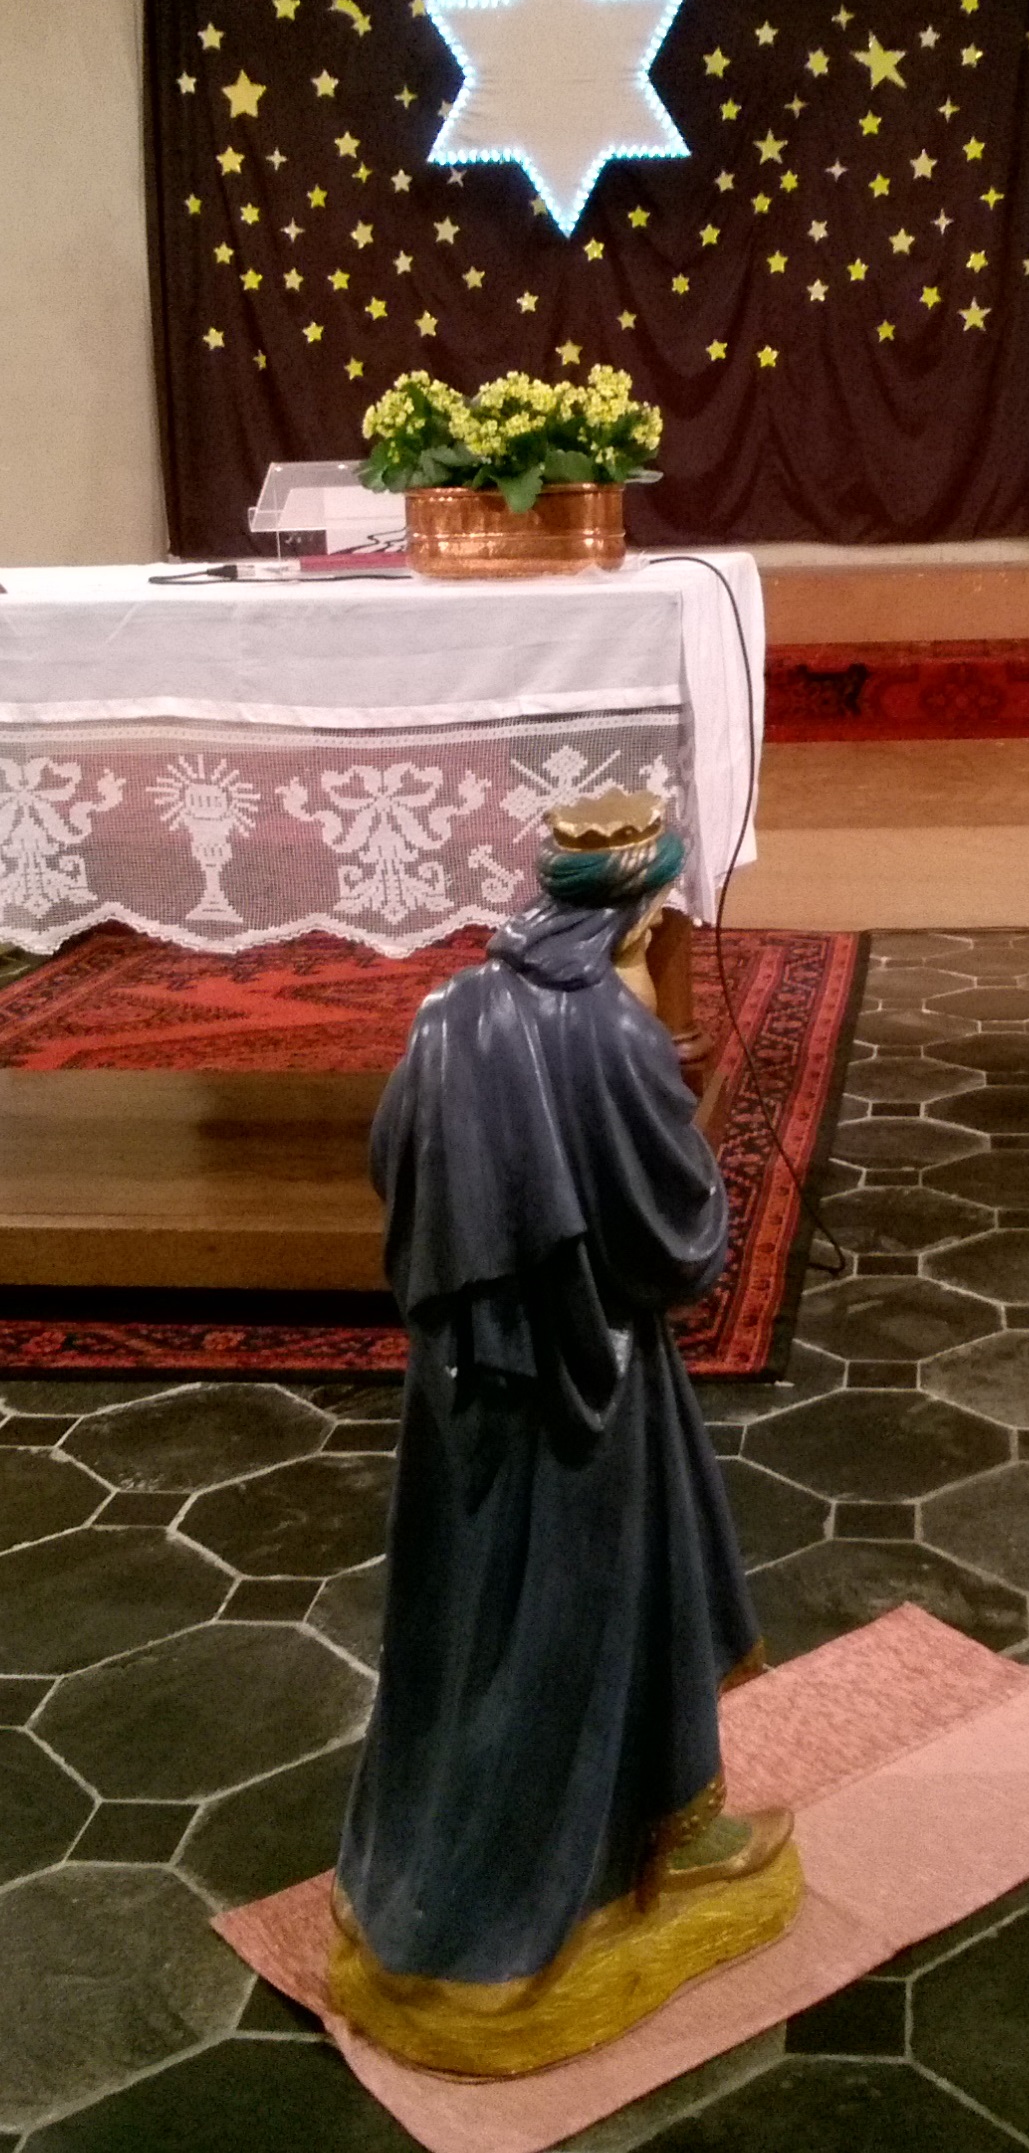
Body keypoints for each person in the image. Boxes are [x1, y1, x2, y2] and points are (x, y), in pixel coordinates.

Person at [327, 791, 803, 2077]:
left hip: (464, 1390)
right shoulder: (615, 1035)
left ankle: (430, 1867)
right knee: (593, 1612)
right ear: (639, 910)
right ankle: (552, 1891)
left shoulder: (448, 1011)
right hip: (588, 1390)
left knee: (464, 1622)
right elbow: (676, 1248)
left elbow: (393, 1167)